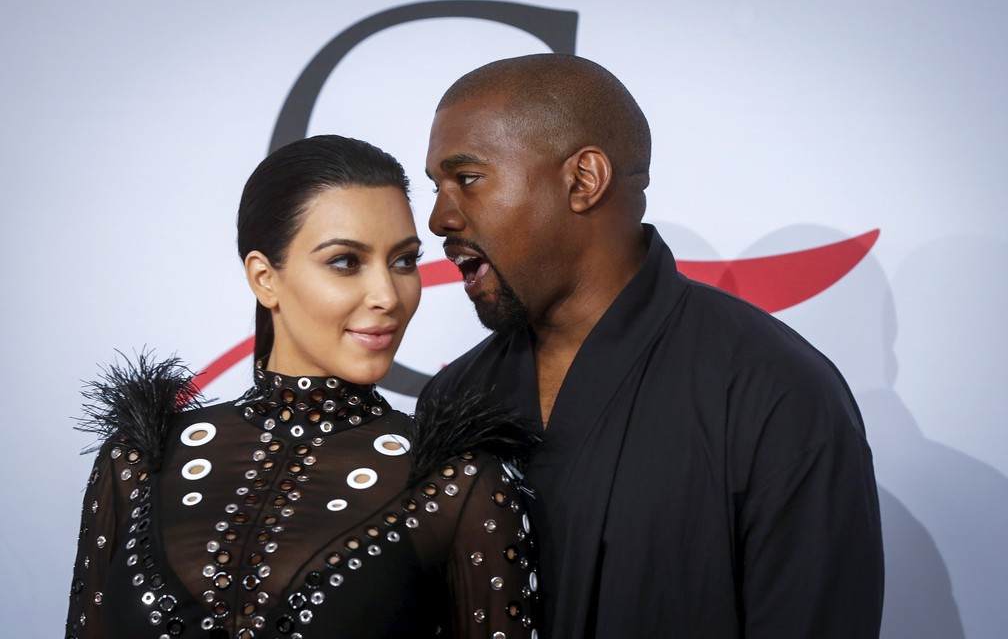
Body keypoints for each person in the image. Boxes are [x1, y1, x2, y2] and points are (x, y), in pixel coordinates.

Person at [419, 54, 884, 638]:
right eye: (436, 186)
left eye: (467, 179)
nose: (438, 218)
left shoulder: (776, 392)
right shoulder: (453, 398)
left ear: (583, 180)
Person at [65, 135, 540, 639]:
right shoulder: (140, 461)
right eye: (345, 262)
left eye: (403, 261)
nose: (387, 295)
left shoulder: (456, 482)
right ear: (264, 277)